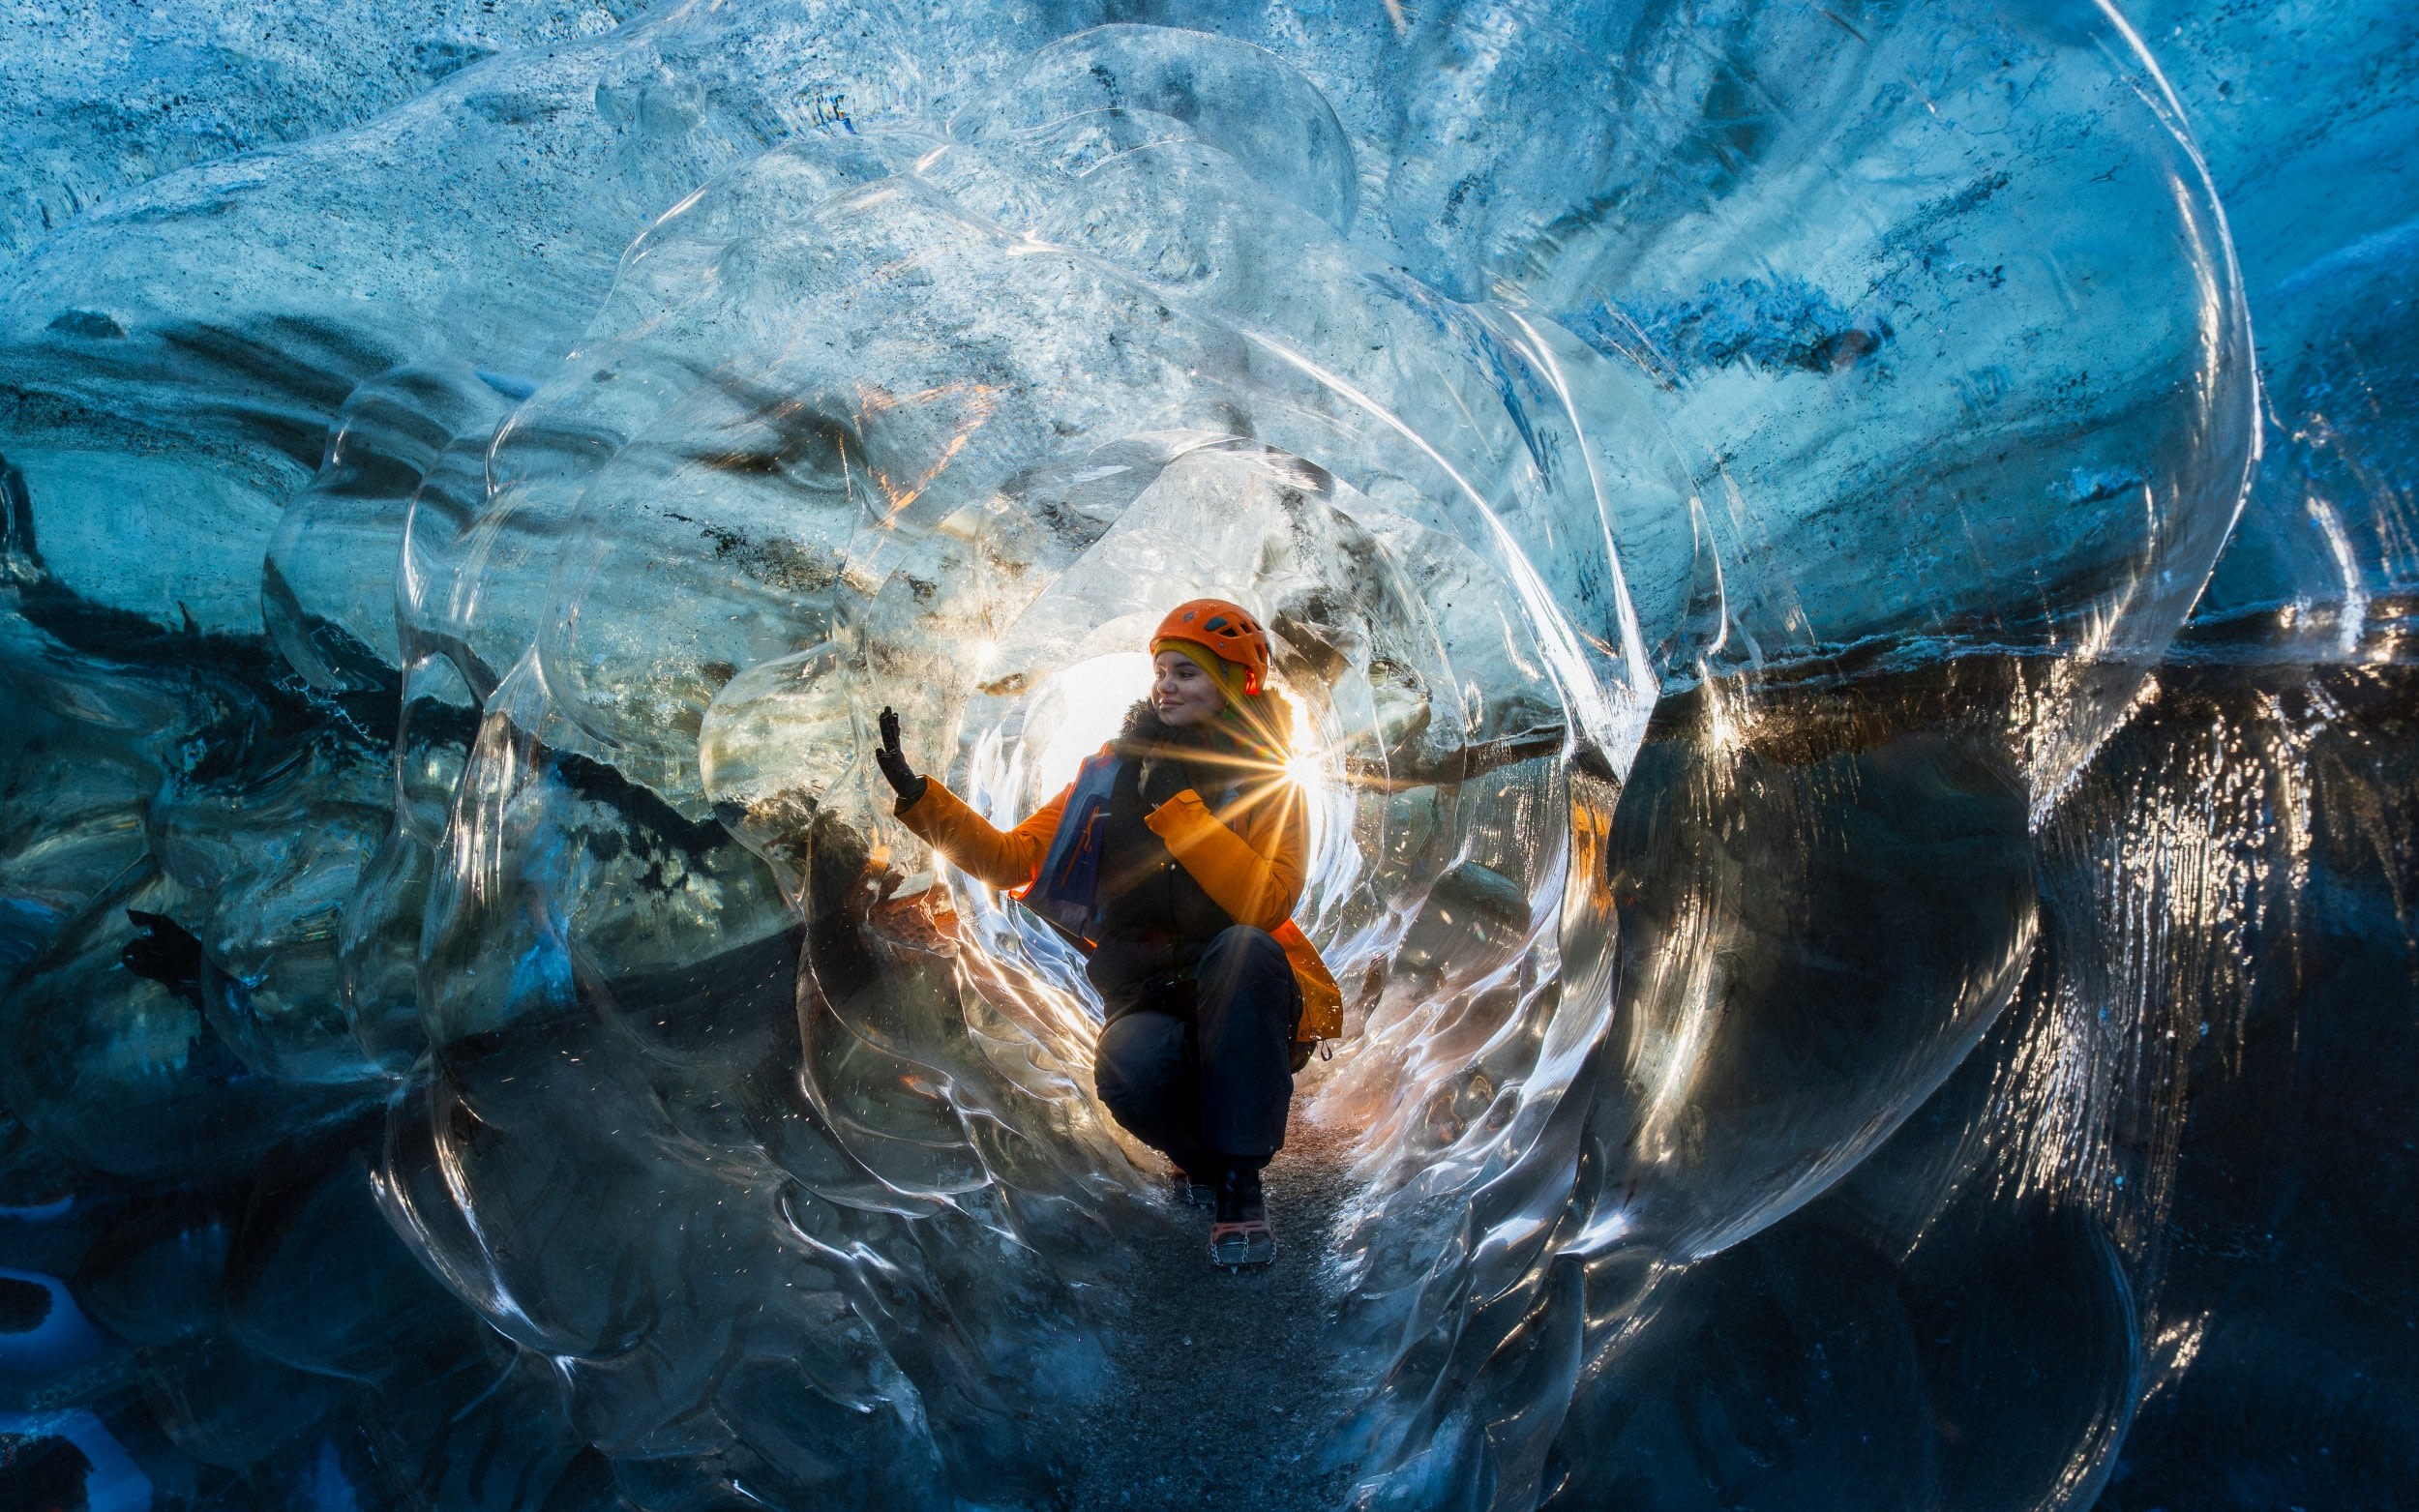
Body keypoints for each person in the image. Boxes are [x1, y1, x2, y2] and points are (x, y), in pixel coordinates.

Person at [874, 599, 1342, 1269]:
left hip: (1247, 1002)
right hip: (1151, 996)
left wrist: (1182, 810)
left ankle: (1241, 1185)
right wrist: (921, 797)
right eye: (1160, 671)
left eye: (1187, 671)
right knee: (1127, 1065)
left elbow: (1264, 901)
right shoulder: (1110, 773)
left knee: (1245, 950)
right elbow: (1012, 859)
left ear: (1238, 685)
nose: (1165, 685)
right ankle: (1204, 1158)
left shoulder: (1271, 785)